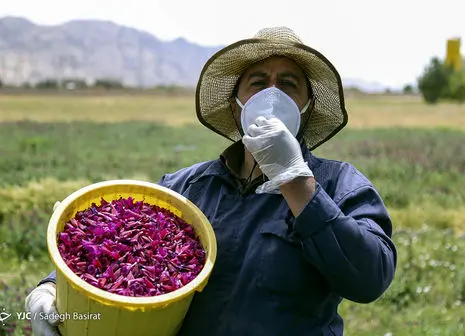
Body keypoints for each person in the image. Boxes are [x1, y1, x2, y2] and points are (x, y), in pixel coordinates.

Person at [25, 27, 397, 336]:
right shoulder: (187, 188)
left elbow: (370, 278)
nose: (272, 94)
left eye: (288, 84)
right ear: (236, 105)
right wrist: (52, 287)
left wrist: (297, 182)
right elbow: (118, 251)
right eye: (257, 83)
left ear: (307, 106)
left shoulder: (338, 184)